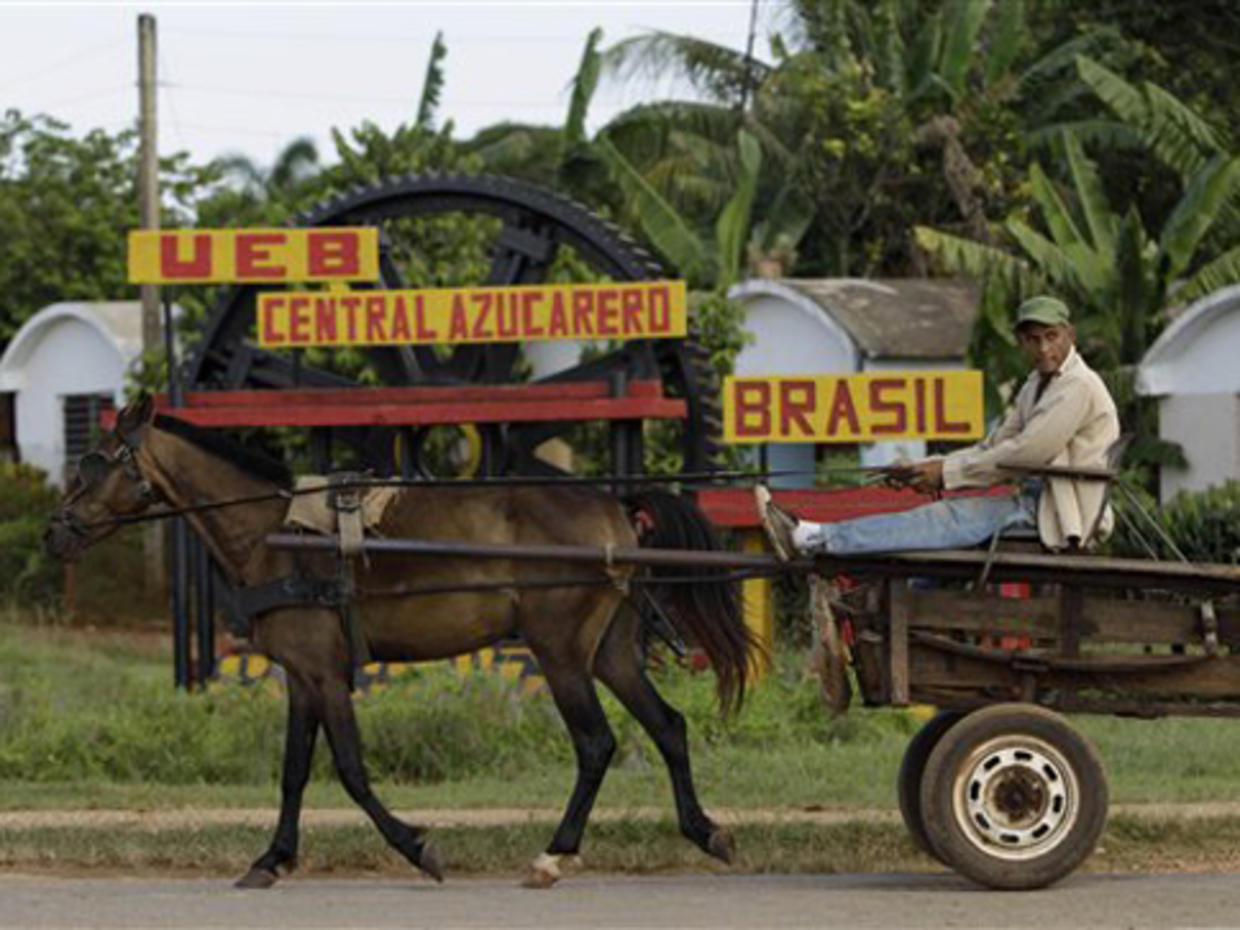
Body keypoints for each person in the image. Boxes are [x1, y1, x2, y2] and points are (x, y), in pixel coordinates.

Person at [755, 295, 1121, 559]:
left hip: (1058, 510)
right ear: (1021, 342)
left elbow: (1027, 453)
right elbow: (993, 445)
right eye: (1033, 339)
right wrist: (929, 467)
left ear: (1069, 334)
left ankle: (814, 537)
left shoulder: (1077, 386)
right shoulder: (1037, 383)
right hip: (1032, 501)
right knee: (937, 526)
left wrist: (945, 473)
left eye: (1051, 337)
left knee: (945, 517)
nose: (1043, 348)